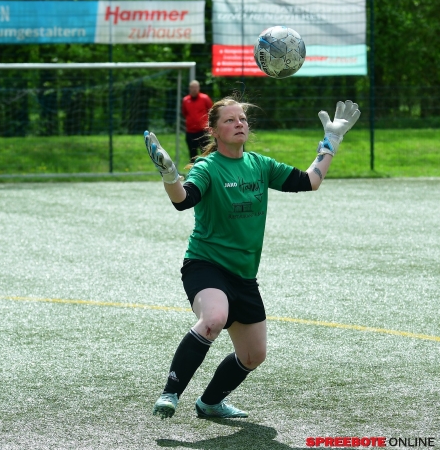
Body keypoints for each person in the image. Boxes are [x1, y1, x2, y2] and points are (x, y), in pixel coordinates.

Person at [143, 97, 360, 419]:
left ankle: (210, 403)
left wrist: (332, 141)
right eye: (230, 120)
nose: (239, 124)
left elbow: (310, 181)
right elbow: (184, 200)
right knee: (213, 319)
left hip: (244, 275)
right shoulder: (208, 167)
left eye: (242, 119)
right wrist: (170, 176)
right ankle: (170, 393)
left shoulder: (260, 165)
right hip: (206, 265)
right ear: (214, 130)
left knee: (254, 354)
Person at [182, 80, 213, 162]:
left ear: (199, 88)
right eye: (192, 87)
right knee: (192, 155)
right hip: (190, 132)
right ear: (189, 88)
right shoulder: (185, 100)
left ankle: (208, 172)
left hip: (203, 131)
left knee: (206, 153)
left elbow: (211, 111)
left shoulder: (205, 98)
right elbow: (184, 113)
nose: (194, 89)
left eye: (195, 87)